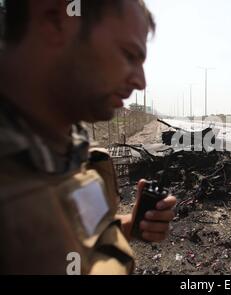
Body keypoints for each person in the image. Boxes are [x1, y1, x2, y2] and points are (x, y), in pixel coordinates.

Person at [0, 0, 176, 274]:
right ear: (55, 18)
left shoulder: (78, 152)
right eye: (128, 54)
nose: (141, 82)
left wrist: (130, 225)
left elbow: (83, 233)